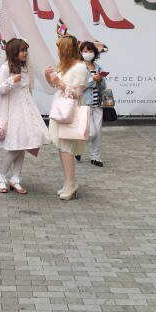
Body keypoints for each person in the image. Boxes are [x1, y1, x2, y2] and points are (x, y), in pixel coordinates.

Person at [0, 38, 50, 194]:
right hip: (11, 111)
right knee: (15, 146)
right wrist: (11, 81)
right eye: (22, 50)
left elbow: (27, 90)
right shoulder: (6, 68)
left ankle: (15, 178)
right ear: (14, 52)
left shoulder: (25, 67)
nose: (25, 53)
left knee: (23, 145)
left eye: (26, 50)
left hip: (25, 109)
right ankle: (1, 176)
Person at [44, 36, 87, 201]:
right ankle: (68, 182)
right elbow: (55, 85)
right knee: (62, 147)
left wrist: (60, 83)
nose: (58, 51)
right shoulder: (65, 66)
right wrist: (50, 77)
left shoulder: (80, 68)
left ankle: (71, 183)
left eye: (60, 47)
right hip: (60, 109)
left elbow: (77, 94)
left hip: (70, 111)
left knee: (67, 147)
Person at [79, 40, 106, 167]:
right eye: (85, 51)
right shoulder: (79, 67)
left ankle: (96, 157)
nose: (88, 53)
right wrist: (91, 80)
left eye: (90, 51)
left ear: (95, 53)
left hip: (98, 103)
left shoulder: (98, 67)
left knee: (98, 133)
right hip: (85, 104)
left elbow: (103, 86)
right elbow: (78, 87)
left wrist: (100, 80)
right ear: (80, 53)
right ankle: (78, 148)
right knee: (91, 132)